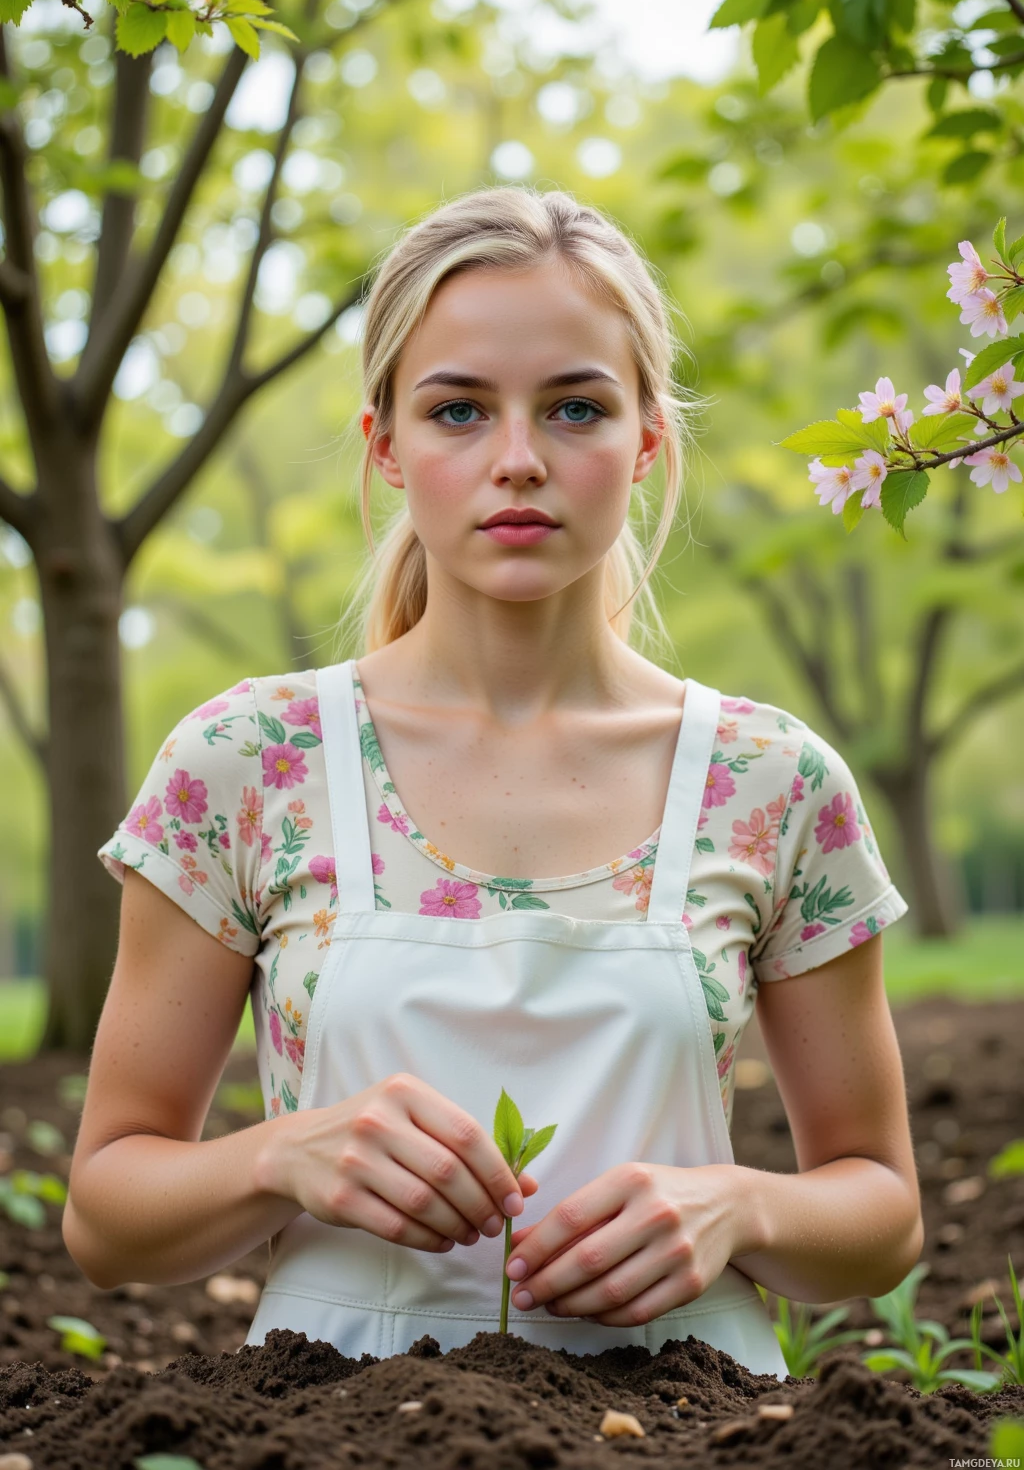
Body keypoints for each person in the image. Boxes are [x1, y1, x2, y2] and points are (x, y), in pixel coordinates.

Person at [65, 186, 922, 1379]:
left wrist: (742, 1207)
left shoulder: (771, 782)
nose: (517, 461)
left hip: (692, 1430)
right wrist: (281, 1156)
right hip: (330, 1431)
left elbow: (880, 1209)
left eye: (576, 407)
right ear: (385, 443)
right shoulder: (245, 763)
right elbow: (108, 1217)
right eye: (458, 410)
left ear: (646, 442)